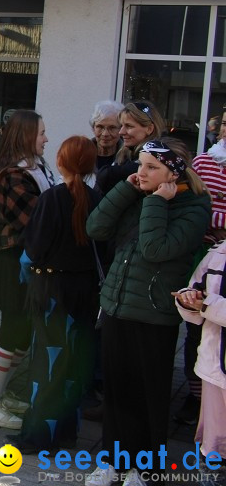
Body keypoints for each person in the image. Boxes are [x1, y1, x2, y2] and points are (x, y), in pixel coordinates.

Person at [85, 138, 211, 486]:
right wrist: (126, 191)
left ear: (174, 171)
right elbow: (95, 227)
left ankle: (145, 469)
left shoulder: (195, 205)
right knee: (117, 392)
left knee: (148, 396)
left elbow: (156, 249)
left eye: (151, 167)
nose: (141, 173)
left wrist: (157, 201)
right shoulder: (137, 192)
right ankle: (111, 461)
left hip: (153, 314)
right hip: (116, 305)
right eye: (140, 165)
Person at [7, 136, 101, 453]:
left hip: (50, 291)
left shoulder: (52, 199)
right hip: (85, 292)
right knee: (73, 364)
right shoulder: (97, 199)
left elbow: (33, 249)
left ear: (61, 162)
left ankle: (38, 435)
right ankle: (66, 432)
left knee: (46, 363)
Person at [0, 110, 53, 429]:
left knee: (21, 333)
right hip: (13, 261)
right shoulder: (11, 175)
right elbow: (35, 221)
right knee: (11, 330)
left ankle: (0, 396)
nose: (46, 139)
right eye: (41, 133)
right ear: (25, 137)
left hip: (28, 261)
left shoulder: (35, 168)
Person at [175, 141, 226, 427]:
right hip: (210, 255)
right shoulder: (206, 162)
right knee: (198, 332)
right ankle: (197, 397)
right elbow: (201, 204)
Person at [176, 238, 226, 486]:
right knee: (213, 448)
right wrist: (188, 300)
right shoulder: (218, 252)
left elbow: (208, 303)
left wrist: (206, 303)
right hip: (213, 368)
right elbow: (193, 288)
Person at [97, 101, 166, 196]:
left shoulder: (159, 162)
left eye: (128, 126)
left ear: (149, 129)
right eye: (121, 126)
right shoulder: (125, 153)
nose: (121, 132)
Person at [89, 100, 124, 173]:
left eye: (112, 128)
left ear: (121, 129)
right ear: (93, 128)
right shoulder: (80, 154)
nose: (105, 134)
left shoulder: (129, 158)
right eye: (100, 127)